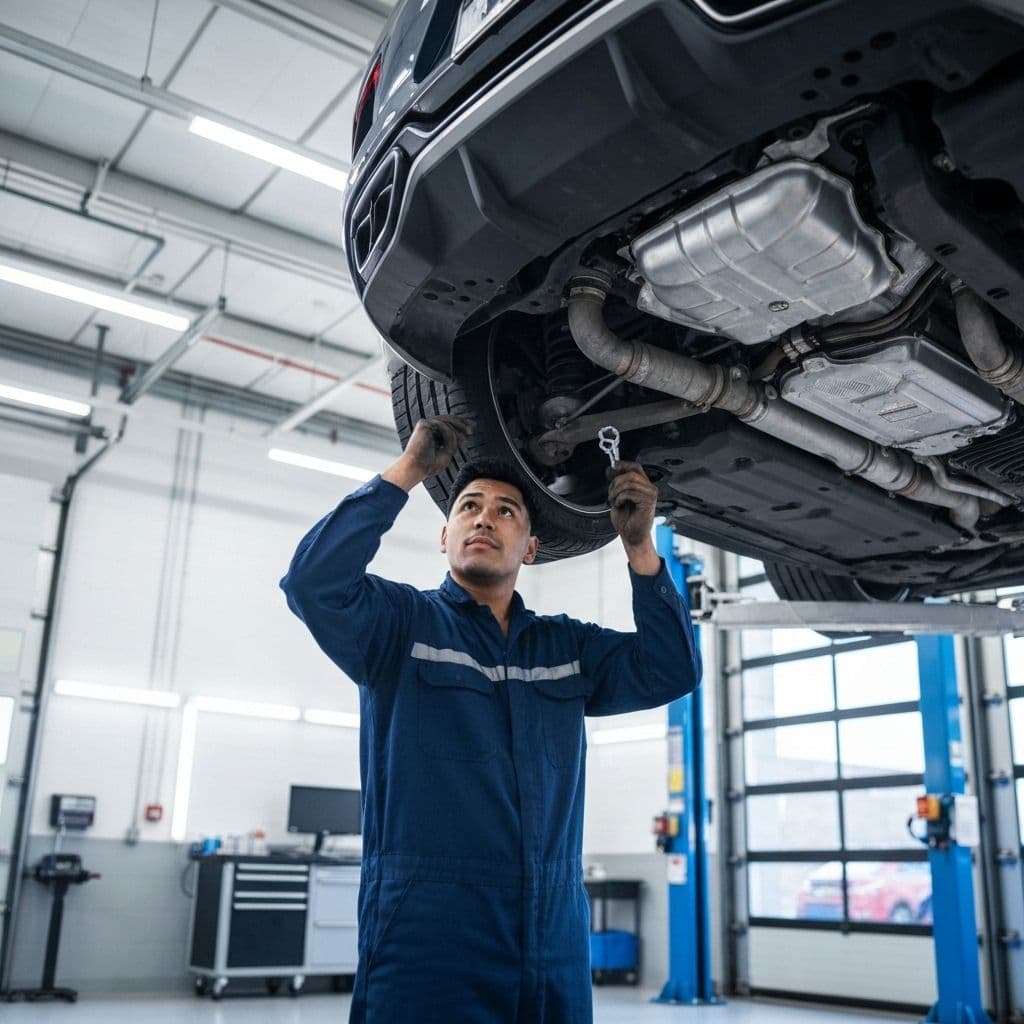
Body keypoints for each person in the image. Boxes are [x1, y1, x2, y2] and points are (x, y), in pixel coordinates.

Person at [280, 415, 701, 1024]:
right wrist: (409, 471)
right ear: (444, 537)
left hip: (552, 930)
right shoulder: (399, 626)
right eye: (469, 507)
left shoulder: (564, 648)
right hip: (429, 931)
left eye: (506, 511)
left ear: (530, 549)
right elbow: (312, 584)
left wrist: (640, 548)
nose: (484, 517)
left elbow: (670, 672)